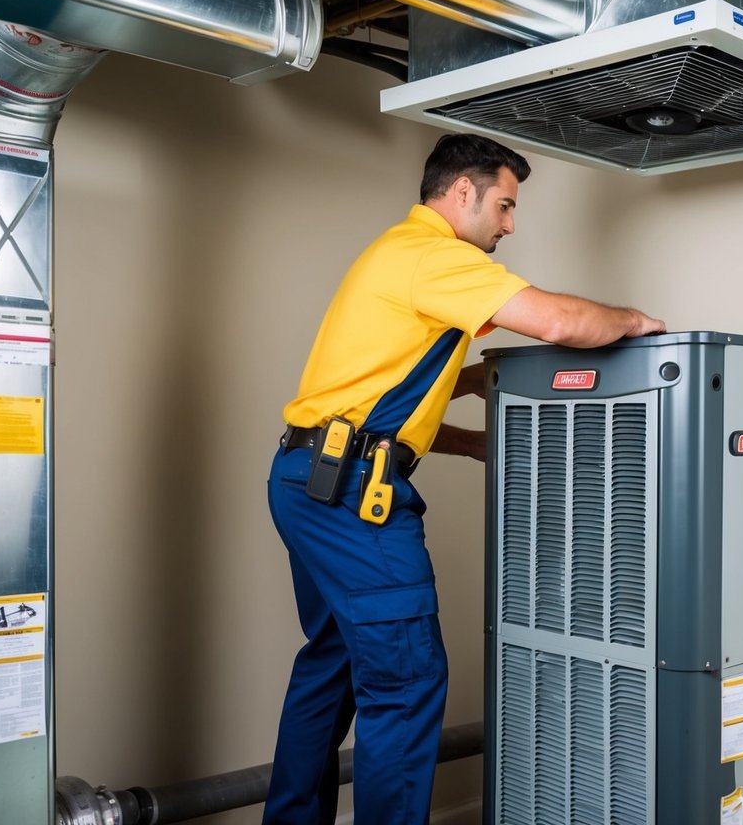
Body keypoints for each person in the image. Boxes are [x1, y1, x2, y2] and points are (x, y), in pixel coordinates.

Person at [262, 133, 666, 825]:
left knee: (330, 666)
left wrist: (471, 441)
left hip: (311, 480)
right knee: (406, 680)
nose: (510, 225)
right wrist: (638, 323)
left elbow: (379, 406)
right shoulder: (433, 256)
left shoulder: (395, 255)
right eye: (504, 206)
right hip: (350, 499)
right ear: (460, 193)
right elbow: (559, 321)